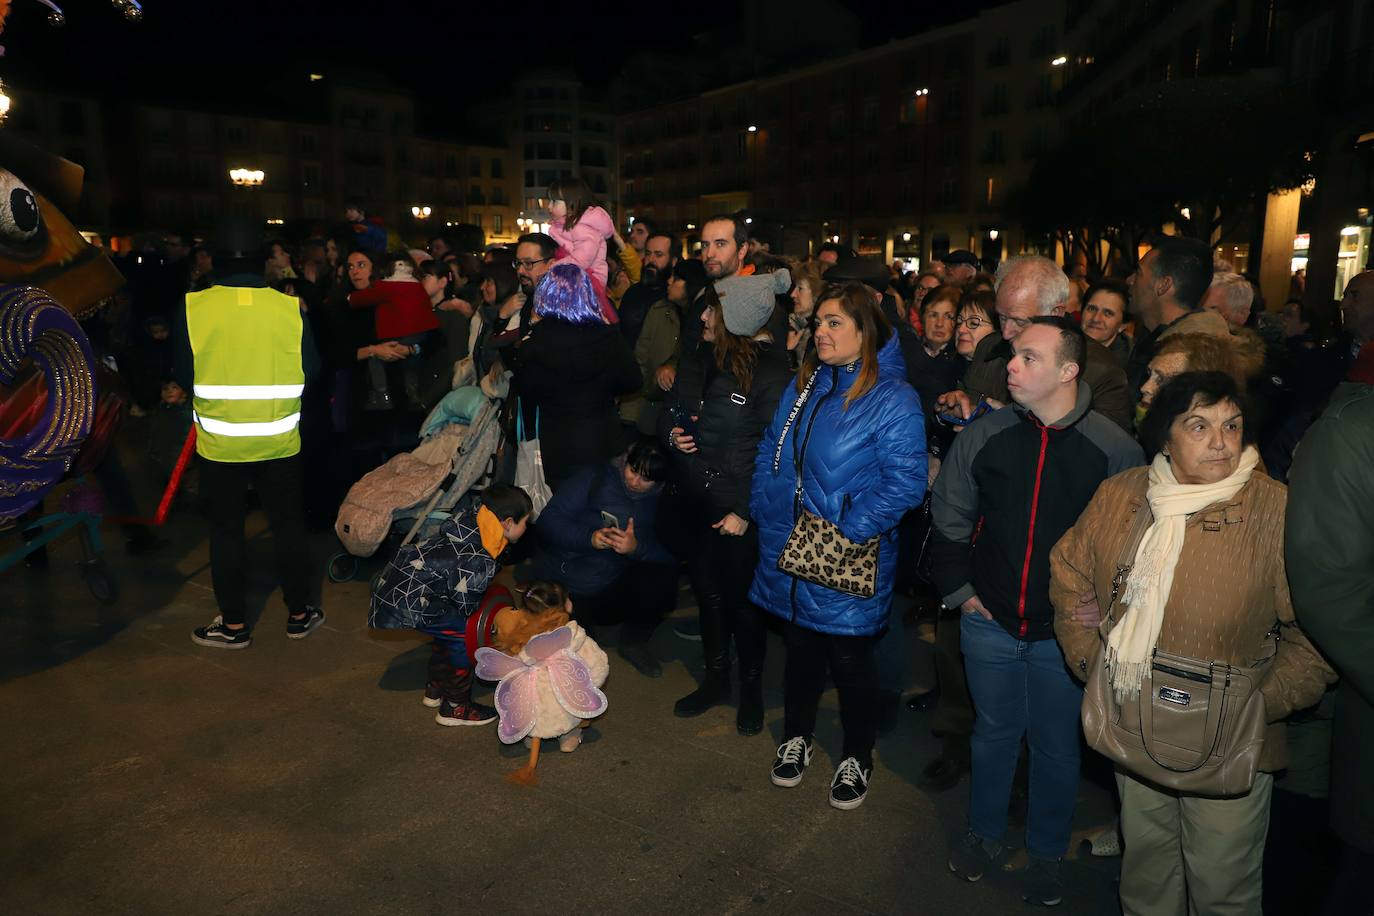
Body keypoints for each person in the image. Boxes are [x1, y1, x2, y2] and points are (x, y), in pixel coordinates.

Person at [1054, 371, 1335, 915]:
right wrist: (1094, 659)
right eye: (1199, 426)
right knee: (1145, 876)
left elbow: (1318, 630)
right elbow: (1069, 571)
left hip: (1229, 744)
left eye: (1232, 425)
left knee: (1223, 890)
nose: (1221, 442)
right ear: (1165, 436)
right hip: (1132, 720)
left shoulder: (1273, 510)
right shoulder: (1123, 495)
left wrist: (1258, 704)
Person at [933, 317, 1143, 905]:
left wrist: (1100, 614)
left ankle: (1047, 856)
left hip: (1067, 635)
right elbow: (949, 514)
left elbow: (1135, 545)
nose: (1011, 367)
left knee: (1057, 748)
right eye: (1012, 357)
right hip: (989, 619)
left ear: (1069, 371)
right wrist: (961, 593)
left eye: (1028, 357)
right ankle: (984, 836)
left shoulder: (1115, 448)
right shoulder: (986, 434)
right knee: (991, 736)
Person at [748, 281, 925, 810]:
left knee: (849, 660)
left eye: (833, 323)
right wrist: (763, 502)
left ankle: (857, 753)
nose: (819, 332)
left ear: (864, 332)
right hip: (790, 545)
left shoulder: (892, 397)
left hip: (846, 552)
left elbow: (906, 482)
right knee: (800, 651)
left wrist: (848, 530)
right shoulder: (806, 382)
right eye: (818, 322)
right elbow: (771, 448)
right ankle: (797, 737)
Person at [178, 218, 325, 650]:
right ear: (264, 264)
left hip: (220, 442)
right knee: (287, 525)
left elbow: (184, 372)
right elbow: (312, 369)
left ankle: (235, 625)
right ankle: (299, 613)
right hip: (279, 438)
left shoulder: (192, 307)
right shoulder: (287, 307)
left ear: (213, 262)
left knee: (225, 532)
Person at [662, 269, 794, 733]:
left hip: (738, 509)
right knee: (708, 594)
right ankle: (717, 678)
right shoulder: (705, 356)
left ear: (734, 316)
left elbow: (776, 452)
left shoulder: (774, 371)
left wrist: (744, 510)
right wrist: (673, 436)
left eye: (711, 309)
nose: (701, 316)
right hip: (698, 499)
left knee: (743, 603)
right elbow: (674, 410)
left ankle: (752, 689)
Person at [371, 485, 533, 726]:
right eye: (526, 523)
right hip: (408, 599)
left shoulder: (472, 519)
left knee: (447, 631)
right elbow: (467, 604)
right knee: (461, 636)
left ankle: (435, 687)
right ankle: (455, 707)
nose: (527, 528)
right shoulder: (479, 555)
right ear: (508, 523)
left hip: (399, 584)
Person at [527, 438, 677, 678]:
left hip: (611, 582)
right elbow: (548, 520)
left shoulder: (666, 500)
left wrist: (636, 548)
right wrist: (590, 537)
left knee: (663, 578)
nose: (635, 482)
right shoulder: (596, 476)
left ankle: (633, 642)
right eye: (633, 470)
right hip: (569, 580)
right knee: (580, 663)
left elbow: (672, 554)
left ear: (659, 482)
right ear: (625, 461)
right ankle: (578, 629)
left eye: (646, 479)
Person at [934, 256, 1133, 433]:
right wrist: (954, 411)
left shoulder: (1101, 371)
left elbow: (1108, 456)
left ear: (1056, 313)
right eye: (1002, 318)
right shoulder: (990, 347)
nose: (1006, 332)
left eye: (1020, 322)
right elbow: (970, 406)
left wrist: (1020, 427)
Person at [516, 264, 641, 491]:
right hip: (604, 439)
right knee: (604, 507)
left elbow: (526, 391)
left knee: (565, 510)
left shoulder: (536, 343)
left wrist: (533, 327)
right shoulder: (607, 335)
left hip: (558, 444)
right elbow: (633, 381)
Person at [1126, 236, 1231, 398]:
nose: (1129, 280)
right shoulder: (1151, 338)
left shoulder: (1188, 365)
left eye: (1138, 273)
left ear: (1163, 285)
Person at [347, 250, 440, 411]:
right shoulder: (416, 287)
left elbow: (436, 342)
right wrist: (372, 350)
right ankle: (409, 391)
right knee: (408, 371)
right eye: (350, 267)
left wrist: (412, 349)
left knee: (377, 364)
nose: (355, 271)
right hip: (365, 400)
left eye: (361, 265)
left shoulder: (383, 289)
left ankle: (382, 395)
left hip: (398, 408)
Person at [547, 176, 617, 324]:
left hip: (590, 280)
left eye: (554, 202)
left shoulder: (582, 227)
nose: (549, 206)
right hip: (579, 278)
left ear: (572, 202)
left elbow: (582, 259)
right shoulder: (569, 225)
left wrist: (555, 265)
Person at [618, 231, 675, 349]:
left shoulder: (676, 297)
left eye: (658, 255)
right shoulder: (632, 293)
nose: (651, 260)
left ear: (673, 261)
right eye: (648, 253)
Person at [1080, 277, 1132, 368]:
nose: (1096, 318)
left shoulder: (1126, 367)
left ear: (1123, 325)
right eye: (1092, 309)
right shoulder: (1064, 342)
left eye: (1108, 313)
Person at [786, 260, 823, 370]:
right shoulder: (792, 324)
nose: (793, 294)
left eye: (800, 288)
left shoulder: (821, 334)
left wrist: (789, 352)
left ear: (817, 293)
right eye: (794, 287)